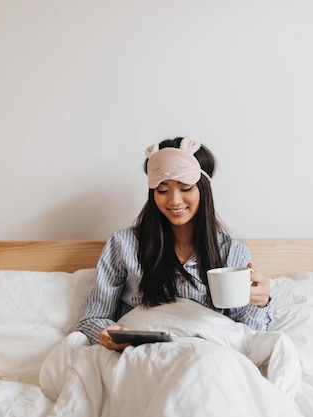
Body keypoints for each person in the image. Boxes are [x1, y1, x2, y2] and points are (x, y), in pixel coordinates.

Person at [75, 137, 272, 351]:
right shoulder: (124, 244)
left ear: (203, 190)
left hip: (205, 354)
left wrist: (261, 303)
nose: (174, 200)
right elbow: (92, 318)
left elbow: (244, 338)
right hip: (142, 354)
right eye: (162, 190)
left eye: (185, 188)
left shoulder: (232, 251)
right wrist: (108, 335)